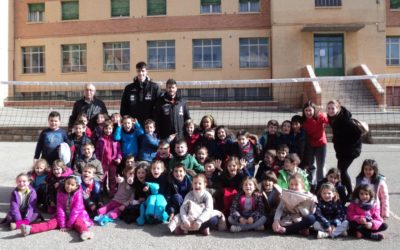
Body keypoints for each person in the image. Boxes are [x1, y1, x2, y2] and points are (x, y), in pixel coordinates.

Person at [20, 175, 94, 241]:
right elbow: (60, 208)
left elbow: (76, 210)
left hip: (77, 215)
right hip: (63, 216)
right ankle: (29, 229)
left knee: (79, 223)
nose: (69, 186)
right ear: (65, 183)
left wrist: (69, 225)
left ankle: (85, 232)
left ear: (77, 186)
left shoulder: (78, 194)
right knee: (50, 223)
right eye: (68, 183)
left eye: (72, 185)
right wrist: (62, 225)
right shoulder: (60, 192)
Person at [327, 99, 362, 199]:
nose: (330, 110)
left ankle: (351, 194)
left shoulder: (345, 120)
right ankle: (342, 191)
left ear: (338, 108)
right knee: (340, 171)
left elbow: (358, 133)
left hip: (350, 150)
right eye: (329, 108)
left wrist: (346, 142)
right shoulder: (332, 118)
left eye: (333, 108)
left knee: (342, 171)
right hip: (341, 150)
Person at [120, 61, 161, 126]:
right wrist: (127, 122)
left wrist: (154, 121)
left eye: (143, 71)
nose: (141, 73)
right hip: (133, 125)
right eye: (138, 71)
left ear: (147, 72)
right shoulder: (129, 88)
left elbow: (159, 107)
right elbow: (124, 107)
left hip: (149, 126)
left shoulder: (155, 87)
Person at [302, 101, 328, 191]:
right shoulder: (304, 121)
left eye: (310, 110)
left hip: (321, 144)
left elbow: (330, 120)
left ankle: (320, 186)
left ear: (314, 110)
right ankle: (310, 185)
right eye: (306, 110)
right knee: (311, 165)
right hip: (310, 145)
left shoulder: (320, 117)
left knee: (320, 166)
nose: (308, 112)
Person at [95, 120, 122, 195]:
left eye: (110, 128)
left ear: (112, 129)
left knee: (112, 178)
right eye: (106, 128)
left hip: (113, 163)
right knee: (102, 178)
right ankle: (101, 192)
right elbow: (97, 150)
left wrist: (119, 158)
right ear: (103, 129)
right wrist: (97, 159)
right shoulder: (100, 140)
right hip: (103, 162)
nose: (108, 130)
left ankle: (112, 192)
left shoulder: (115, 139)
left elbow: (119, 150)